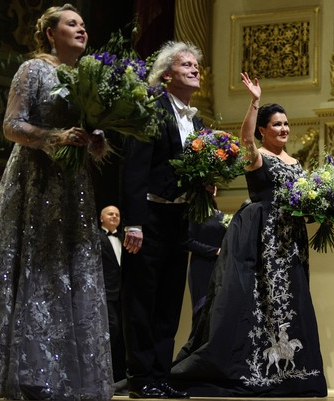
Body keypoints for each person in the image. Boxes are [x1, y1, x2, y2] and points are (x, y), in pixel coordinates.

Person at [170, 72, 327, 397]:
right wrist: (254, 102)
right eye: (276, 124)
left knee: (291, 300)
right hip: (264, 239)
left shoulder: (296, 162)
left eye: (286, 124)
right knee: (261, 301)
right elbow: (244, 139)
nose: (283, 129)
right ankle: (257, 371)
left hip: (292, 240)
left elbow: (301, 200)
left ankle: (294, 373)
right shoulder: (258, 158)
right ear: (263, 129)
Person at [0, 4, 113, 400]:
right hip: (36, 182)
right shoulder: (33, 70)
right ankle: (32, 373)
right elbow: (12, 126)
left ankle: (69, 376)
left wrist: (95, 142)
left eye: (83, 24)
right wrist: (56, 137)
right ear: (50, 33)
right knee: (39, 266)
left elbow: (97, 144)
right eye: (72, 24)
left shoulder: (86, 78)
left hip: (73, 186)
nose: (82, 29)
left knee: (73, 269)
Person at [120, 40, 204, 399]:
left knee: (170, 300)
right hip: (150, 216)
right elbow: (135, 168)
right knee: (142, 299)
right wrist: (133, 222)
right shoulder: (151, 109)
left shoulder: (196, 118)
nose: (195, 69)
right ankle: (140, 378)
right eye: (186, 64)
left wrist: (205, 184)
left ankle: (160, 374)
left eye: (196, 65)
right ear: (167, 74)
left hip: (179, 218)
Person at [185, 186, 227, 336]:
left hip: (221, 267)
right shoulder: (194, 213)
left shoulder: (222, 215)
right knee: (203, 312)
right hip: (202, 267)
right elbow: (188, 241)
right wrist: (215, 251)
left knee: (219, 312)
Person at [99, 205, 127, 391]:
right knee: (111, 328)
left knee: (124, 334)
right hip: (105, 291)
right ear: (102, 218)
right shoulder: (96, 237)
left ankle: (120, 377)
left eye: (117, 214)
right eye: (111, 214)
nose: (114, 216)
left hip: (124, 293)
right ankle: (102, 373)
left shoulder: (125, 237)